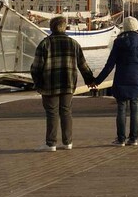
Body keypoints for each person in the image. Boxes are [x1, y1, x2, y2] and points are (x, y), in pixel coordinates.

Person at [30, 15, 96, 152]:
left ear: (51, 28)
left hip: (49, 84)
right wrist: (90, 80)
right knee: (66, 112)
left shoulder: (44, 44)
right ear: (64, 27)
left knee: (52, 113)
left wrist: (38, 84)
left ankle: (51, 144)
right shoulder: (73, 44)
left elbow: (36, 67)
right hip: (68, 82)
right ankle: (68, 142)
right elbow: (83, 65)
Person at [92, 16, 138, 147]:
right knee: (135, 109)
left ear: (124, 27)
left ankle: (121, 139)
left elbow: (110, 65)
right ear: (136, 27)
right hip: (136, 78)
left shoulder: (118, 42)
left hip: (121, 78)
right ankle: (134, 139)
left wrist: (98, 81)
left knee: (121, 109)